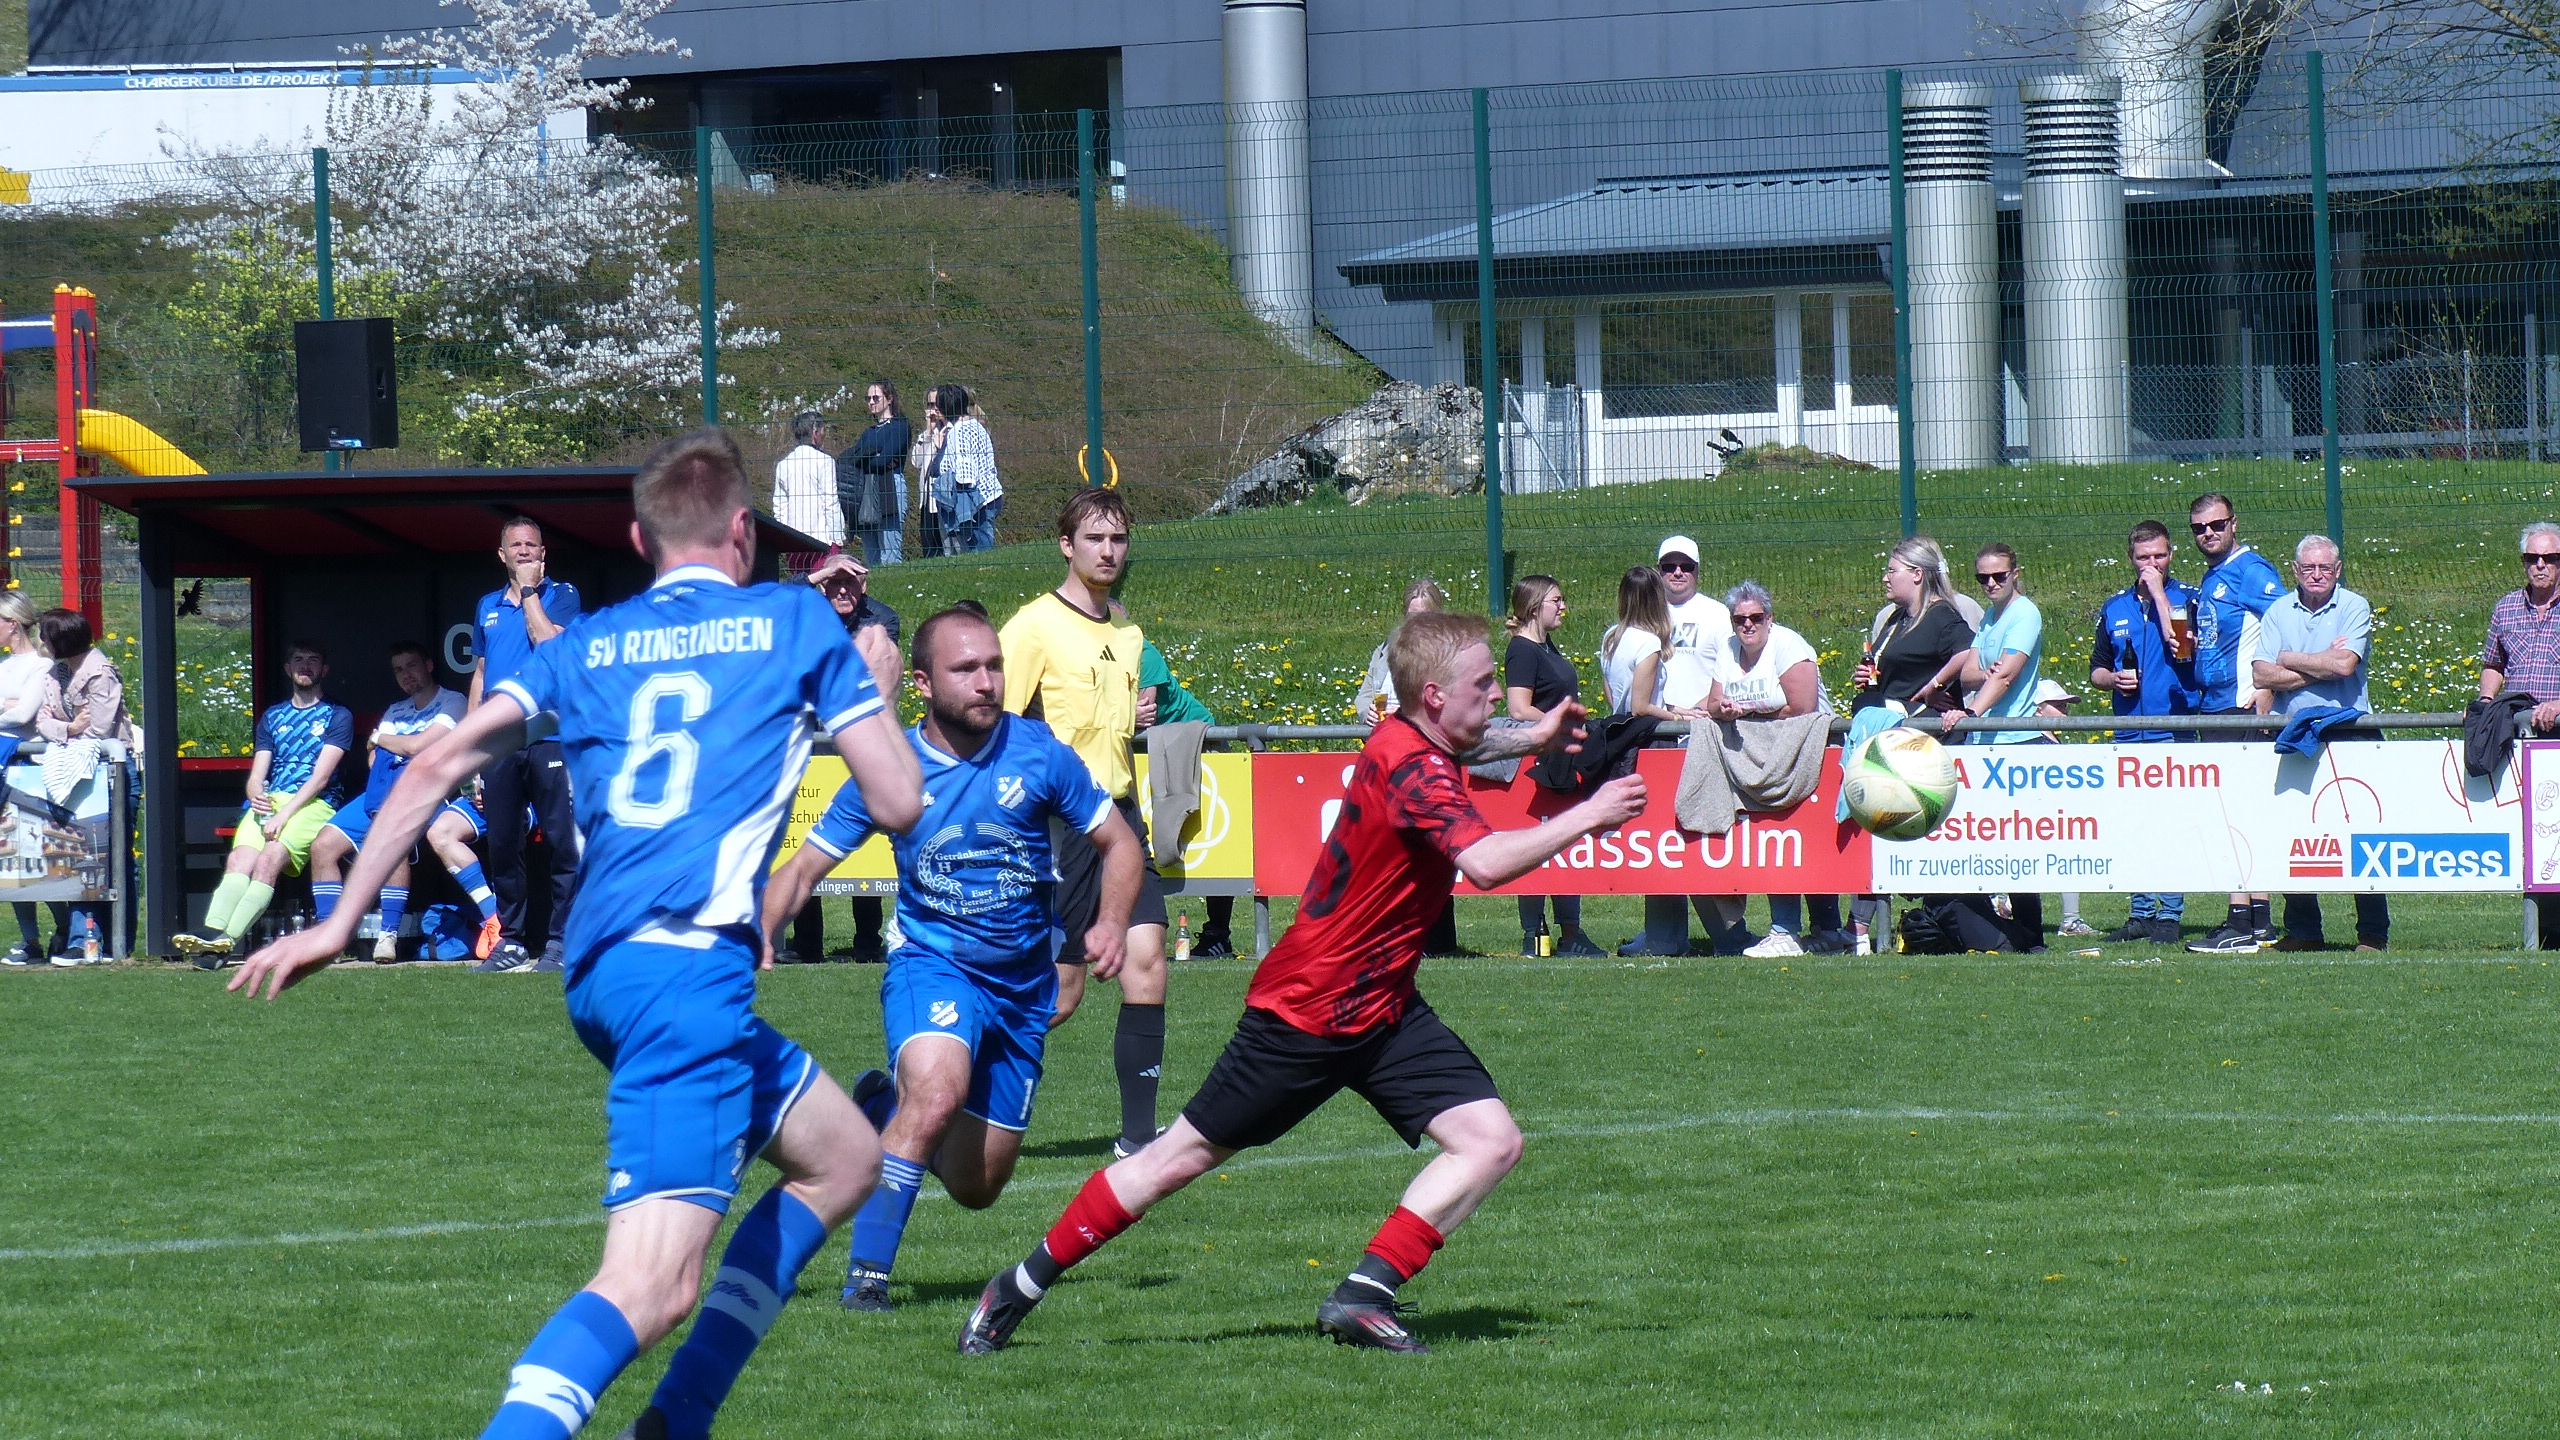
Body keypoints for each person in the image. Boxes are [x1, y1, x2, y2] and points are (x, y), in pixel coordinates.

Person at [230, 427, 925, 1440]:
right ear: (743, 530)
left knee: (847, 1159)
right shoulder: (795, 622)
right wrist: (878, 687)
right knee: (649, 1285)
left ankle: (677, 1419)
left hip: (600, 971)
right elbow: (898, 801)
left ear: (641, 542)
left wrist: (340, 922)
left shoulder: (589, 643)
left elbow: (433, 765)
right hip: (687, 976)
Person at [957, 610, 1641, 1357]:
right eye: (1484, 684)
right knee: (1176, 1159)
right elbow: (1484, 864)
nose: (1498, 695)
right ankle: (1016, 1286)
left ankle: (1364, 1294)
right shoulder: (1415, 767)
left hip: (1382, 1007)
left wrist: (1532, 741)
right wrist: (1590, 814)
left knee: (1490, 1141)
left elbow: (1470, 744)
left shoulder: (1403, 736)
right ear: (1436, 696)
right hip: (1308, 1012)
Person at [762, 603, 1144, 1314]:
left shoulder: (1039, 753)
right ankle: (867, 1281)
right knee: (937, 1093)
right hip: (932, 964)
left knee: (977, 1187)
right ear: (922, 683)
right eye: (965, 669)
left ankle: (881, 1106)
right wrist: (760, 930)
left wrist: (1112, 923)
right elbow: (805, 866)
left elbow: (1118, 842)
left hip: (1022, 988)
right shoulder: (892, 770)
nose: (986, 681)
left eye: (993, 665)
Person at [998, 486, 1172, 1159]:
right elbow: (997, 725)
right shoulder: (1033, 626)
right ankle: (938, 1088)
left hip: (1120, 818)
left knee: (1147, 963)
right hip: (1061, 826)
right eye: (1094, 538)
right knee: (1062, 995)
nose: (1108, 551)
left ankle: (1137, 1139)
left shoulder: (1128, 636)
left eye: (1118, 539)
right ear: (1066, 546)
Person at [174, 639, 350, 963]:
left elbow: (321, 778)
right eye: (299, 659)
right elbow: (257, 775)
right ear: (288, 668)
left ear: (324, 669)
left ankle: (226, 941)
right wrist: (255, 795)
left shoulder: (337, 715)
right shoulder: (273, 716)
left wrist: (284, 816)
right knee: (238, 860)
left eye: (313, 660)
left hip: (315, 803)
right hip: (272, 801)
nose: (305, 666)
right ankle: (212, 936)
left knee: (269, 860)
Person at [2254, 533, 2386, 954]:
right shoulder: (2278, 611)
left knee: (2362, 830)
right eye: (2308, 568)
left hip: (2349, 728)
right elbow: (2261, 675)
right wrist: (2320, 664)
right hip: (2295, 731)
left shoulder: (2354, 606)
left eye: (2324, 568)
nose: (2316, 575)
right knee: (2294, 831)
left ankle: (2373, 933)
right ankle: (2304, 930)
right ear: (2295, 570)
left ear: (2338, 569)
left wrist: (2289, 658)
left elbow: (2345, 667)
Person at [1702, 580, 1846, 958]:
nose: (1747, 625)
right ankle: (1799, 929)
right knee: (1776, 837)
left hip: (1806, 752)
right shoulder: (1728, 649)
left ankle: (1809, 930)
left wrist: (1749, 712)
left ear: (1769, 618)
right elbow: (1714, 702)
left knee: (1801, 839)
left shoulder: (1788, 645)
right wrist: (1724, 710)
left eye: (1755, 617)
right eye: (1739, 619)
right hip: (1756, 755)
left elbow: (1802, 706)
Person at [1846, 537, 1976, 954]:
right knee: (1876, 826)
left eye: (1892, 570)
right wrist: (1868, 677)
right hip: (1887, 738)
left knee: (1891, 825)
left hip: (1917, 751)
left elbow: (1968, 653)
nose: (1885, 578)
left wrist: (1934, 686)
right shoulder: (1895, 619)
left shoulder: (1942, 617)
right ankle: (1859, 929)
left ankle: (1868, 928)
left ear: (1917, 575)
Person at [469, 518, 582, 971]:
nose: (523, 551)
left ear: (542, 553)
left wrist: (530, 591)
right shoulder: (487, 605)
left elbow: (550, 644)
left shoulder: (563, 594)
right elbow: (480, 674)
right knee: (502, 844)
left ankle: (562, 941)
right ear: (502, 554)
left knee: (561, 842)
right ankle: (511, 941)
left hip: (550, 735)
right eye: (514, 545)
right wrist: (472, 743)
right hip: (500, 742)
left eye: (530, 545)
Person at [307, 642, 465, 963]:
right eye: (399, 670)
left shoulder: (453, 701)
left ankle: (387, 935)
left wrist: (383, 740)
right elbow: (372, 758)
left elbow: (418, 746)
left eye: (412, 666)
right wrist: (391, 747)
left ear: (429, 665)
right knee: (323, 846)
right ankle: (328, 939)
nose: (406, 675)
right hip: (382, 791)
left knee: (391, 840)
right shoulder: (396, 710)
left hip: (428, 792)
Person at [1922, 543, 2048, 948]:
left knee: (2019, 842)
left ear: (2015, 574)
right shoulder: (1993, 617)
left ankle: (2031, 934)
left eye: (1999, 576)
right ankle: (2014, 933)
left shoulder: (2025, 613)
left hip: (2015, 740)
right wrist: (1974, 679)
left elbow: (2005, 676)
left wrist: (1972, 711)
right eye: (1983, 578)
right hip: (1988, 742)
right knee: (1997, 841)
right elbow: (1971, 672)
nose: (1991, 584)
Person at [780, 553, 903, 964]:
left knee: (861, 838)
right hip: (809, 742)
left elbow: (862, 669)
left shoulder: (882, 619)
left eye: (851, 581)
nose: (843, 589)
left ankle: (867, 941)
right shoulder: (808, 610)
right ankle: (807, 943)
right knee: (806, 836)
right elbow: (781, 600)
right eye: (835, 582)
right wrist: (818, 574)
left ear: (864, 586)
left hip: (860, 739)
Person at [2185, 491, 2290, 954]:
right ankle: (2254, 919)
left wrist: (2268, 686)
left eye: (2216, 525)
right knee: (2231, 814)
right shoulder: (2214, 575)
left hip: (2240, 707)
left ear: (2234, 524)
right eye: (2199, 528)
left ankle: (2244, 920)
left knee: (2239, 815)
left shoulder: (2251, 570)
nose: (2208, 534)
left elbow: (2284, 622)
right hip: (2214, 706)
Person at [2089, 520, 2201, 945]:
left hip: (2170, 728)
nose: (2152, 564)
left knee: (2170, 825)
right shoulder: (2115, 607)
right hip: (2127, 731)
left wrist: (2157, 594)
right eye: (2143, 557)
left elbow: (2183, 649)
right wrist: (2112, 679)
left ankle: (2169, 914)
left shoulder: (2185, 599)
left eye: (2159, 556)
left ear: (2171, 555)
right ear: (2131, 559)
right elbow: (2097, 668)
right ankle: (2140, 912)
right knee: (2134, 825)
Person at [1630, 535, 1737, 956]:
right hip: (1655, 733)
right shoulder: (1646, 615)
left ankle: (1728, 932)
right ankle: (1662, 933)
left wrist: (1698, 710)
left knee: (1698, 833)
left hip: (1701, 732)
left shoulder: (1716, 614)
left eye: (1686, 566)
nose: (1677, 573)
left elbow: (1728, 668)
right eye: (1669, 566)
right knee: (1659, 833)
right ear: (1658, 570)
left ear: (1697, 570)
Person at [1502, 574, 1603, 958]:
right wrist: (1559, 723)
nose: (1563, 607)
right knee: (1535, 847)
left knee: (1564, 842)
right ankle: (1535, 935)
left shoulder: (1546, 646)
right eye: (1556, 600)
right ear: (1534, 607)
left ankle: (1570, 933)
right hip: (1539, 763)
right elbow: (1518, 708)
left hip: (1559, 756)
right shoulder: (1523, 650)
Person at [35, 607, 138, 962]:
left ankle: (116, 942)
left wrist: (68, 729)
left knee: (114, 857)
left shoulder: (101, 672)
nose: (41, 642)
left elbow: (100, 727)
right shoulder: (55, 673)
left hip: (111, 774)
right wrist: (69, 728)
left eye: (45, 636)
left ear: (60, 640)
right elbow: (42, 721)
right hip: (72, 769)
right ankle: (84, 940)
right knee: (77, 854)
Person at [1138, 635, 1240, 958]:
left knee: (1211, 839)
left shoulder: (1141, 650)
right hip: (1143, 746)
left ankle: (1218, 934)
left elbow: (1144, 711)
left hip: (1198, 741)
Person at [0, 594, 54, 964]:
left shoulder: (41, 666)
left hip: (29, 770)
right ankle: (30, 939)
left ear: (13, 623)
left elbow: (23, 715)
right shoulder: (6, 666)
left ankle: (65, 930)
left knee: (38, 855)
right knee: (11, 857)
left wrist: (12, 708)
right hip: (7, 765)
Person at [2481, 520, 2560, 736]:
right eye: (2532, 558)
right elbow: (2493, 665)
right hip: (2513, 730)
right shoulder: (2506, 607)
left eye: (2550, 558)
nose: (2540, 565)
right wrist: (2486, 700)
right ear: (2524, 563)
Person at [919, 384, 1003, 555]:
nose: (936, 409)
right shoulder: (977, 426)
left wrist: (960, 509)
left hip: (976, 502)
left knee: (979, 550)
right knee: (984, 544)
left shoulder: (958, 432)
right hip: (991, 495)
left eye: (939, 404)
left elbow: (965, 475)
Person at [837, 380, 913, 566]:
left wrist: (868, 458)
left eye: (876, 398)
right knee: (871, 553)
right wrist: (874, 457)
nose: (871, 402)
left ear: (889, 399)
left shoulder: (900, 426)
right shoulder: (868, 433)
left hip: (890, 487)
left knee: (890, 548)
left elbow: (883, 460)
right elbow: (851, 459)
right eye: (868, 398)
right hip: (866, 490)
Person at [1359, 579, 1446, 725]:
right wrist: (1367, 712)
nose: (1417, 623)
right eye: (1412, 616)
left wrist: (1405, 714)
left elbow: (1449, 703)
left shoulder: (1447, 654)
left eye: (1425, 617)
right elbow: (1365, 694)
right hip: (1382, 730)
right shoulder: (1386, 649)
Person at [1598, 566, 1678, 719]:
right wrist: (1677, 719)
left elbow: (1613, 695)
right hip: (1649, 730)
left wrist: (1675, 709)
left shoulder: (1612, 636)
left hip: (1621, 724)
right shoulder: (1649, 643)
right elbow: (1640, 708)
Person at [771, 410, 843, 556]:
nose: (824, 434)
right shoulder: (825, 461)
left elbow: (779, 508)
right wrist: (838, 537)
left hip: (793, 542)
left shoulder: (783, 464)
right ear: (815, 433)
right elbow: (831, 502)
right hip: (822, 540)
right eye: (823, 430)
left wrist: (784, 538)